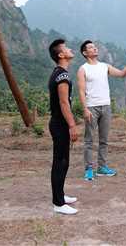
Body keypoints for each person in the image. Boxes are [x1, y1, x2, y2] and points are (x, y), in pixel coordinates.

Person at [76, 40, 126, 181]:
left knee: (103, 140)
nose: (94, 48)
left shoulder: (104, 66)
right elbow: (81, 91)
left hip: (106, 106)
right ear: (85, 53)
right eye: (91, 47)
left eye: (94, 47)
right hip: (91, 107)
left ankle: (102, 167)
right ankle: (89, 169)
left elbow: (122, 74)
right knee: (89, 140)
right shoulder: (83, 69)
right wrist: (85, 108)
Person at [47, 39, 79, 215]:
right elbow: (63, 102)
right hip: (60, 125)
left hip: (59, 124)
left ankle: (60, 195)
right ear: (61, 55)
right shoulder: (62, 76)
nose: (70, 49)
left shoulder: (58, 73)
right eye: (66, 48)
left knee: (63, 161)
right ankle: (58, 204)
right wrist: (72, 125)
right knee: (60, 162)